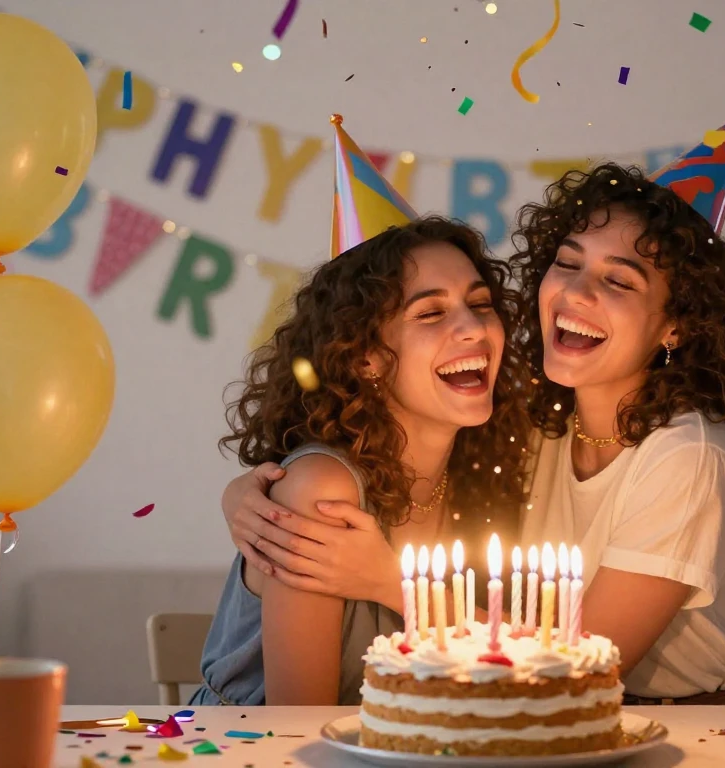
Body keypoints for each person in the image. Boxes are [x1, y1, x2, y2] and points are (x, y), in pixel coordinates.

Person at [223, 100, 725, 705]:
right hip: (544, 717)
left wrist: (389, 581)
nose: (577, 291)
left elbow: (577, 670)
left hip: (686, 727)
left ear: (677, 326)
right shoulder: (529, 428)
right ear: (361, 351)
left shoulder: (687, 456)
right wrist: (245, 496)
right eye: (567, 264)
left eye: (619, 280)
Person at [189, 117, 534, 706]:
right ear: (367, 357)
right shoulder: (323, 490)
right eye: (431, 314)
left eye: (480, 304)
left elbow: (541, 669)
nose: (473, 327)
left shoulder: (488, 471)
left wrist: (390, 582)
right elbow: (297, 729)